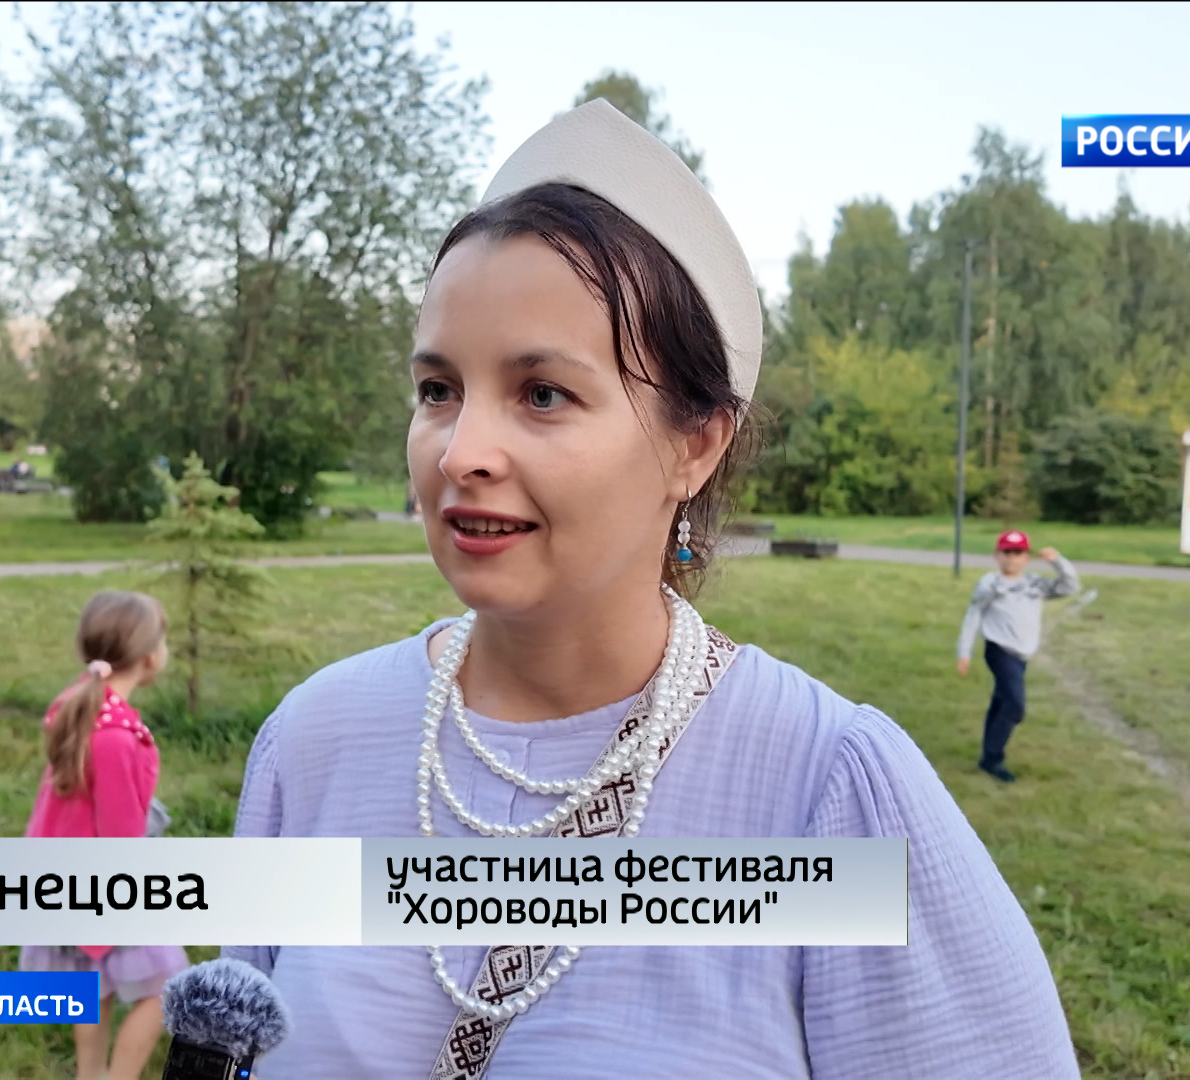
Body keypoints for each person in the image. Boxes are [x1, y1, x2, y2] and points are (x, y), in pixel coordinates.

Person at [223, 101, 1078, 1079]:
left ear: (694, 444)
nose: (460, 454)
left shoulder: (828, 789)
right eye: (438, 390)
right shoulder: (315, 742)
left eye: (543, 394)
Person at [22, 590, 190, 1080]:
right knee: (166, 986)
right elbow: (120, 835)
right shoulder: (115, 738)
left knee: (91, 985)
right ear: (149, 657)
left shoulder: (78, 704)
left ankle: (89, 1073)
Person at [955, 530, 1081, 783]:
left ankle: (987, 755)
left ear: (1026, 557)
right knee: (1015, 706)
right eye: (1007, 552)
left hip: (1022, 654)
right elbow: (973, 616)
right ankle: (993, 759)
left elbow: (1070, 587)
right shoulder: (990, 584)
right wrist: (964, 651)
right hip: (1000, 651)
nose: (1012, 558)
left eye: (1018, 553)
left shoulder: (1034, 584)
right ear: (997, 555)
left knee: (1001, 702)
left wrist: (1057, 561)